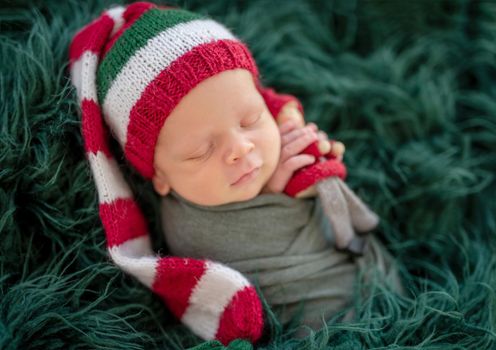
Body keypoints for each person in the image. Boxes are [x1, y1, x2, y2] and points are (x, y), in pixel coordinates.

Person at [69, 1, 402, 345]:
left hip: (378, 282)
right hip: (325, 327)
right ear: (160, 178)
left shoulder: (251, 147)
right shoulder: (190, 226)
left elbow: (271, 101)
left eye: (251, 119)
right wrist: (282, 195)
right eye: (201, 151)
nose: (242, 148)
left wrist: (293, 129)